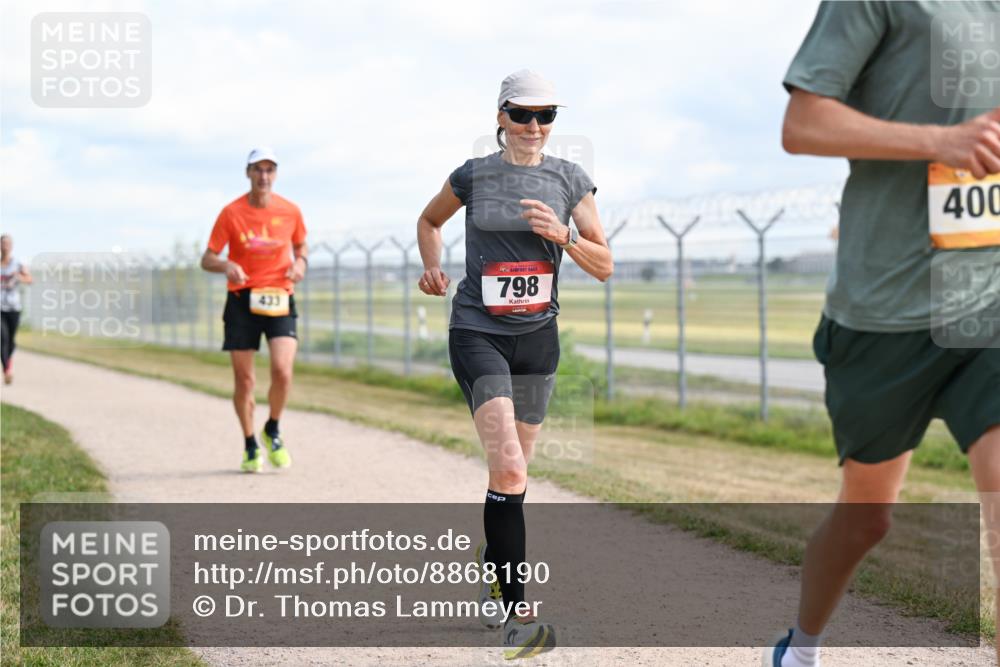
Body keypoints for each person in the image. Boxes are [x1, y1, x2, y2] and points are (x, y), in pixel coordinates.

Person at [765, 3, 1000, 666]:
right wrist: (940, 141)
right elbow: (802, 123)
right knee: (868, 516)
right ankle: (800, 647)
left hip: (986, 300)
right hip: (883, 312)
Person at [416, 69, 613, 660]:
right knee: (507, 470)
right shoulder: (473, 175)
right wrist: (432, 265)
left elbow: (605, 264)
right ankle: (518, 616)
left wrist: (565, 237)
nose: (534, 126)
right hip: (478, 331)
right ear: (500, 117)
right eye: (522, 114)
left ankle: (493, 569)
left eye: (546, 115)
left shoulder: (570, 178)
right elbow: (429, 221)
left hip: (538, 339)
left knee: (515, 476)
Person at [201, 148, 308, 473]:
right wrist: (226, 265)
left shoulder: (290, 211)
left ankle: (272, 428)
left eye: (270, 169)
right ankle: (250, 444)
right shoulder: (231, 213)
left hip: (278, 296)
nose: (264, 176)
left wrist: (300, 263)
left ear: (275, 174)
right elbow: (207, 258)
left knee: (282, 371)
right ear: (248, 173)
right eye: (257, 170)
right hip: (241, 301)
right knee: (245, 380)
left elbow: (301, 247)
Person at [1, 234, 32, 385]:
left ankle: (8, 364)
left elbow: (30, 280)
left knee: (11, 341)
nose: (5, 246)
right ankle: (7, 371)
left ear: (11, 246)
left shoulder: (18, 263)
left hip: (14, 307)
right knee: (3, 338)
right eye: (3, 243)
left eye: (7, 243)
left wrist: (19, 277)